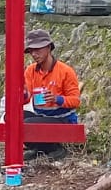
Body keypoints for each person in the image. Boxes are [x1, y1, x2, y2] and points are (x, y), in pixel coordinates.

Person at [22, 29, 81, 158]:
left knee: (27, 124)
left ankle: (55, 148)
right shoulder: (30, 71)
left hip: (63, 119)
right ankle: (41, 148)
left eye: (38, 50)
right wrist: (22, 94)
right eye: (31, 51)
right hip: (42, 116)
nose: (34, 54)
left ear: (48, 47)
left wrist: (57, 99)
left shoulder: (65, 71)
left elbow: (76, 101)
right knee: (12, 118)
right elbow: (26, 98)